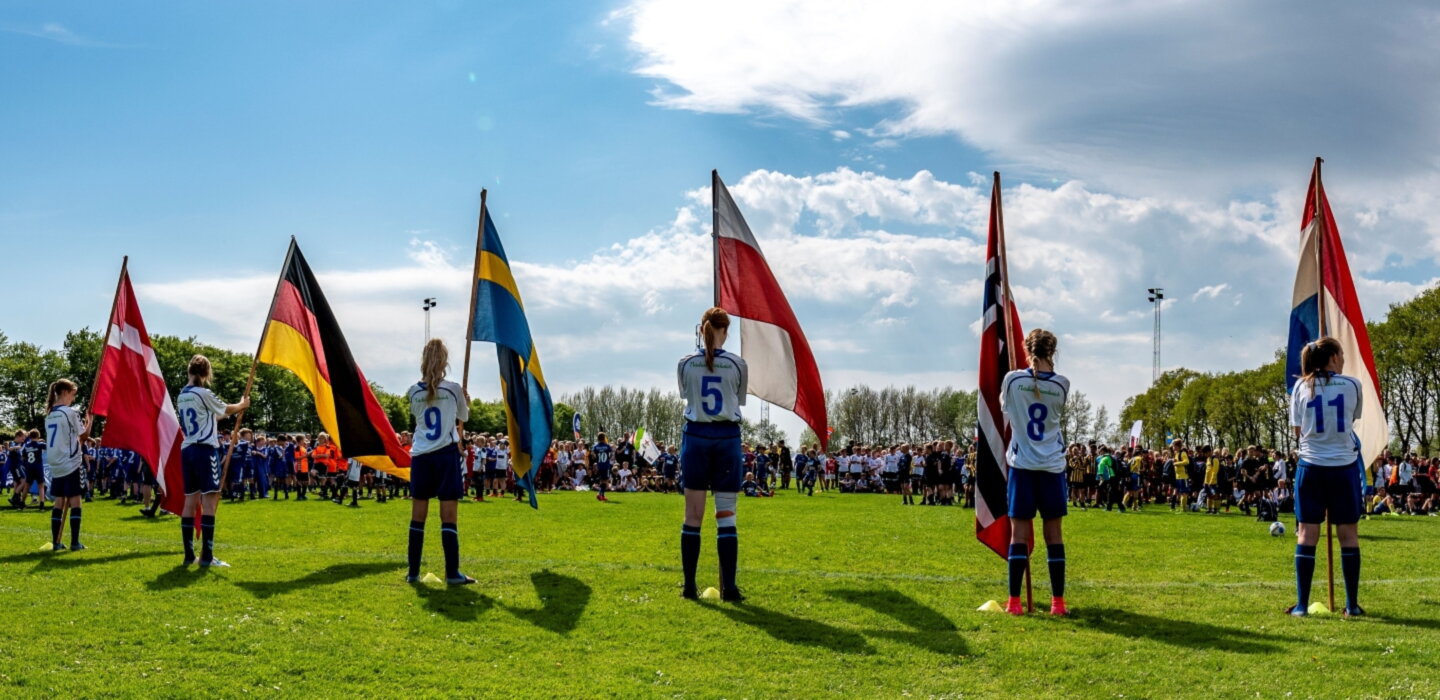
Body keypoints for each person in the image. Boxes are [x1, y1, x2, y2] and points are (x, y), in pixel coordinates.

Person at [1287, 337, 1366, 617]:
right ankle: (1352, 606)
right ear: (1332, 356)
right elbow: (1351, 421)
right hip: (1343, 467)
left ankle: (1300, 605)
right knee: (1348, 535)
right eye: (1341, 354)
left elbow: (1298, 431)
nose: (1343, 359)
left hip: (1311, 467)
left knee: (1307, 534)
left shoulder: (1299, 386)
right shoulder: (1353, 384)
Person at [677, 307, 748, 602]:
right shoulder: (737, 364)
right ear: (726, 331)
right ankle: (729, 589)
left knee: (693, 515)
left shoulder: (685, 363)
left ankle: (689, 588)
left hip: (695, 438)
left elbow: (686, 395)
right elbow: (738, 399)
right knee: (726, 516)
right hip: (726, 439)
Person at [1000, 329, 1071, 616]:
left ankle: (1014, 603)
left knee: (1018, 534)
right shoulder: (1063, 384)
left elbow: (1005, 408)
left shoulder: (1012, 379)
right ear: (1053, 351)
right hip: (1052, 466)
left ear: (1027, 349)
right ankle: (1058, 604)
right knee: (1054, 535)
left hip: (1023, 466)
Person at [404, 339, 475, 585]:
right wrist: (465, 398)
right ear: (445, 361)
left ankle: (412, 572)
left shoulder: (413, 390)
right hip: (445, 454)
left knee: (418, 516)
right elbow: (463, 416)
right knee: (448, 516)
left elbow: (417, 417)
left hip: (422, 455)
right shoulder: (453, 388)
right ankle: (453, 573)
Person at [175, 355, 249, 567]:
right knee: (209, 501)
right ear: (206, 374)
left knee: (190, 502)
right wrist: (242, 405)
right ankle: (207, 556)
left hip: (188, 449)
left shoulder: (182, 395)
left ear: (189, 371)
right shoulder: (203, 392)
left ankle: (189, 555)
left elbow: (211, 416)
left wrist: (229, 412)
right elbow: (225, 408)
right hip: (205, 450)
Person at [44, 379, 93, 551]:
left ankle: (56, 542)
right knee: (75, 501)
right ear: (65, 392)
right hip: (71, 462)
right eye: (73, 394)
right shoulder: (69, 412)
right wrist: (90, 420)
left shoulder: (50, 413)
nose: (73, 398)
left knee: (59, 501)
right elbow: (84, 435)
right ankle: (75, 542)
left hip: (55, 463)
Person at [592, 433, 614, 502]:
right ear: (604, 438)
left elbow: (592, 454)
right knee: (605, 481)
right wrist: (608, 458)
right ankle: (599, 494)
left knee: (602, 480)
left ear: (598, 438)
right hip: (606, 465)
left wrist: (596, 458)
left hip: (599, 465)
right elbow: (612, 453)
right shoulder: (607, 446)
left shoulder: (596, 446)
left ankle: (602, 495)